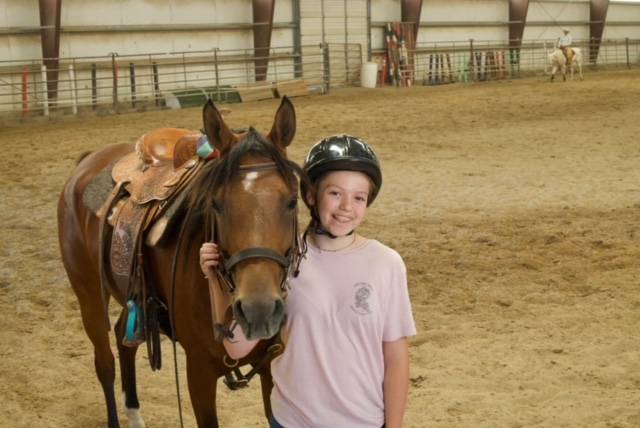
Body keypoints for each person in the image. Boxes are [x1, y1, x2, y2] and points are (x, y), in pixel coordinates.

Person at [200, 135, 416, 428]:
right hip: (292, 421)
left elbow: (396, 357)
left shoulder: (386, 263)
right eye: (335, 193)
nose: (346, 207)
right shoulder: (285, 262)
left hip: (364, 421)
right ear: (311, 196)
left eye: (359, 197)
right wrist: (215, 279)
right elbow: (237, 348)